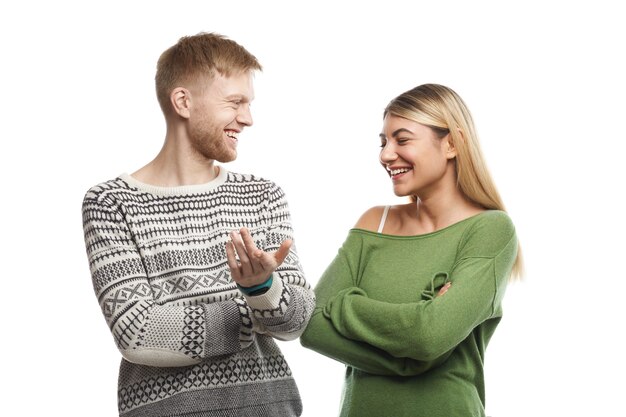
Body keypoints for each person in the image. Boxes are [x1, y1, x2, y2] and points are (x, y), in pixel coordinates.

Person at [82, 32, 314, 417]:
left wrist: (263, 287)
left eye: (249, 103)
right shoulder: (111, 203)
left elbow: (297, 321)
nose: (248, 118)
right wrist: (256, 307)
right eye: (235, 102)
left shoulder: (262, 196)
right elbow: (137, 332)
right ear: (183, 102)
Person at [300, 83, 522, 417]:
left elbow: (430, 337)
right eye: (383, 142)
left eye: (402, 140)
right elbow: (312, 326)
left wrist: (345, 306)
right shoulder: (374, 223)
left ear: (451, 143)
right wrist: (410, 361)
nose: (386, 154)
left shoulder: (491, 229)